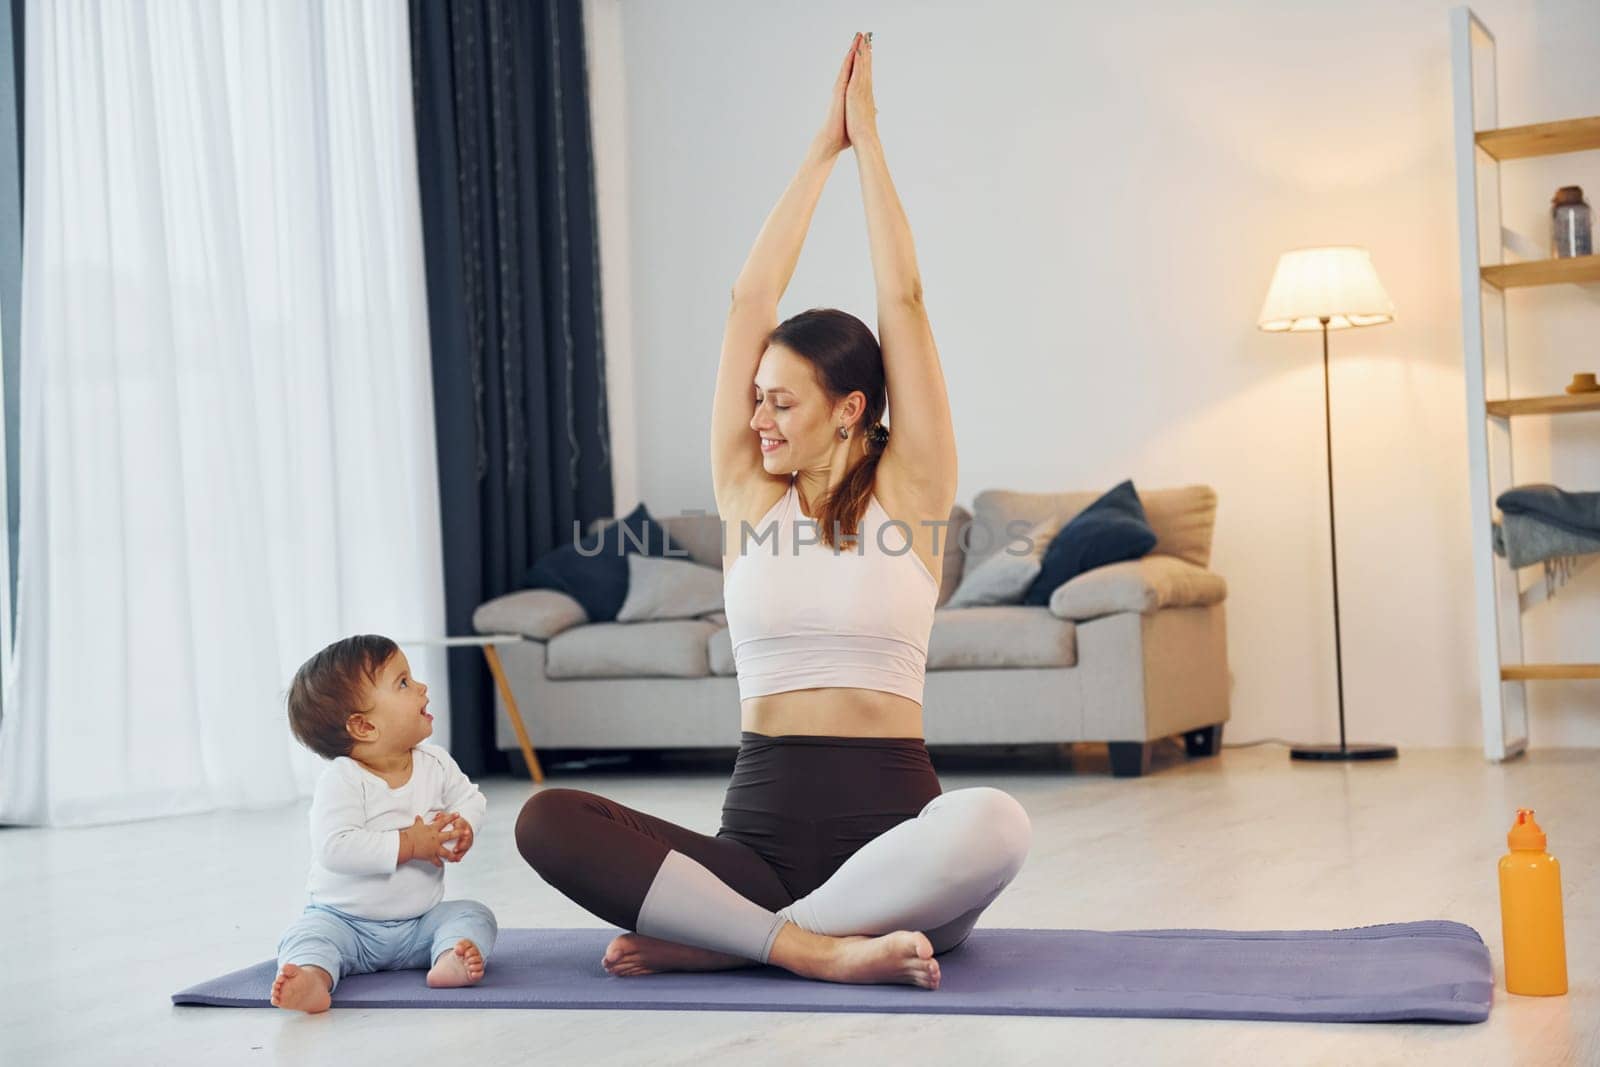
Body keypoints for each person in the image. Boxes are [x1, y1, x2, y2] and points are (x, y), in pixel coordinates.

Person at [515, 31, 1031, 991]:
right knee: (545, 819)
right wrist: (817, 152)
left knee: (998, 820)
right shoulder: (750, 497)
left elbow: (905, 301)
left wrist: (869, 144)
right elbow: (751, 294)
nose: (756, 418)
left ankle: (745, 939)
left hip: (897, 850)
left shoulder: (912, 490)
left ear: (850, 410)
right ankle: (804, 945)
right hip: (753, 846)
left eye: (780, 401)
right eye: (754, 396)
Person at [270, 635, 497, 1013]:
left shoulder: (435, 762)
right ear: (363, 727)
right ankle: (312, 976)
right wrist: (408, 844)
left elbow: (469, 798)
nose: (422, 687)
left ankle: (449, 958)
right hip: (345, 924)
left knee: (474, 915)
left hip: (419, 924)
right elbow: (335, 847)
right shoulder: (343, 779)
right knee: (306, 936)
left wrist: (463, 826)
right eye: (404, 683)